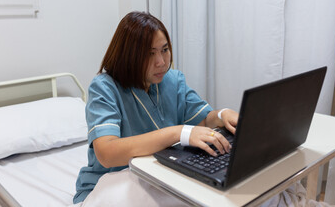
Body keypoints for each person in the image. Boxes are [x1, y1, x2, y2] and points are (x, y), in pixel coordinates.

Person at [73, 11, 239, 205]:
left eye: (165, 49)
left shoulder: (173, 81)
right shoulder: (105, 87)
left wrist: (222, 115)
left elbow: (201, 118)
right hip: (113, 182)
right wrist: (178, 133)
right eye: (149, 53)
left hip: (160, 178)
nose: (161, 62)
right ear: (128, 55)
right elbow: (107, 154)